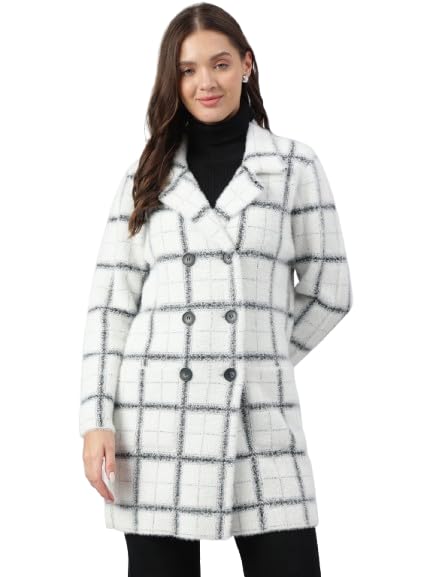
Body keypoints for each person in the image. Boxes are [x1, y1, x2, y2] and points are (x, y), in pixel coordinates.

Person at [79, 3, 353, 576]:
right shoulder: (145, 175)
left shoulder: (294, 166)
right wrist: (95, 418)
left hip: (260, 416)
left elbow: (330, 291)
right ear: (172, 80)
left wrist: (252, 355)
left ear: (247, 65)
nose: (206, 82)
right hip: (152, 418)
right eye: (188, 70)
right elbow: (110, 307)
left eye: (220, 64)